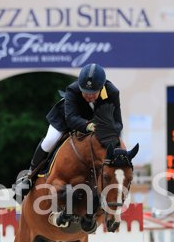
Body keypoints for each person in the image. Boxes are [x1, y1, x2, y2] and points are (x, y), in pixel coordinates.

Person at [16, 63, 123, 194]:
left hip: (96, 126)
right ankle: (29, 176)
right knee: (49, 141)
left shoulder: (112, 92)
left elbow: (118, 123)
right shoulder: (73, 89)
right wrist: (88, 126)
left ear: (101, 88)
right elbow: (71, 118)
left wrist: (108, 131)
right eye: (85, 92)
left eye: (93, 93)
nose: (89, 96)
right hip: (65, 120)